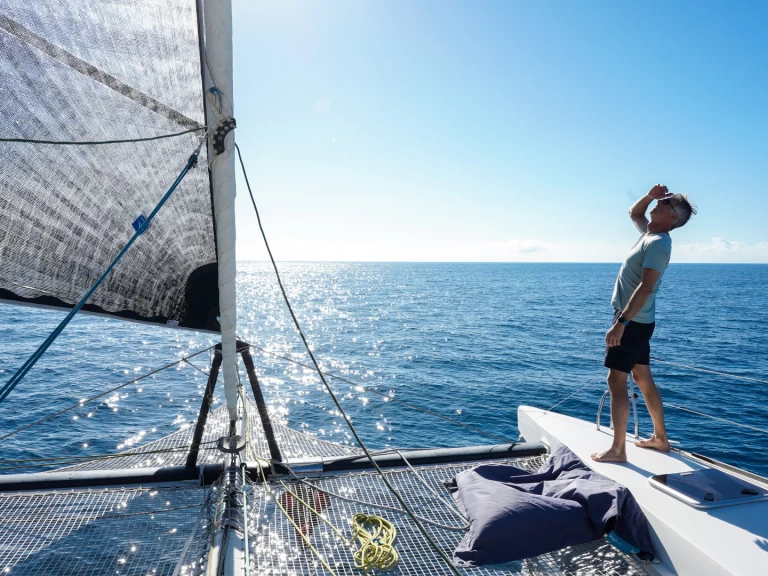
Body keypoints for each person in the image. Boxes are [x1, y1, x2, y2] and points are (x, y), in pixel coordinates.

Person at [592, 184, 696, 463]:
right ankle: (660, 438)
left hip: (632, 320)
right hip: (638, 320)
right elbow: (633, 211)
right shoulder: (649, 234)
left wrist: (621, 323)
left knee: (616, 380)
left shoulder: (658, 244)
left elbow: (646, 287)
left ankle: (617, 449)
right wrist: (651, 195)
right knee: (642, 377)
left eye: (666, 203)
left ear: (673, 217)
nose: (659, 204)